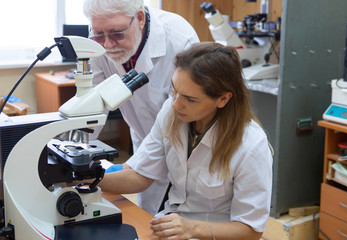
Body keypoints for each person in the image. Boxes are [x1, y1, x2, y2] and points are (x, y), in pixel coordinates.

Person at [99, 42, 273, 240]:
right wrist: (86, 178)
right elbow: (140, 175)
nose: (176, 103)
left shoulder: (251, 145)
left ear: (223, 99)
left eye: (190, 98)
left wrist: (192, 228)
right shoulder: (172, 113)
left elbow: (251, 231)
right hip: (174, 227)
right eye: (174, 90)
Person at [83, 0, 200, 216]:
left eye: (117, 33)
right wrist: (76, 153)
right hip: (144, 138)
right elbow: (93, 104)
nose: (107, 45)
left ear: (139, 19)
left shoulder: (180, 39)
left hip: (183, 146)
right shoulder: (97, 45)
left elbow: (191, 112)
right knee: (147, 217)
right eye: (99, 34)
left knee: (183, 218)